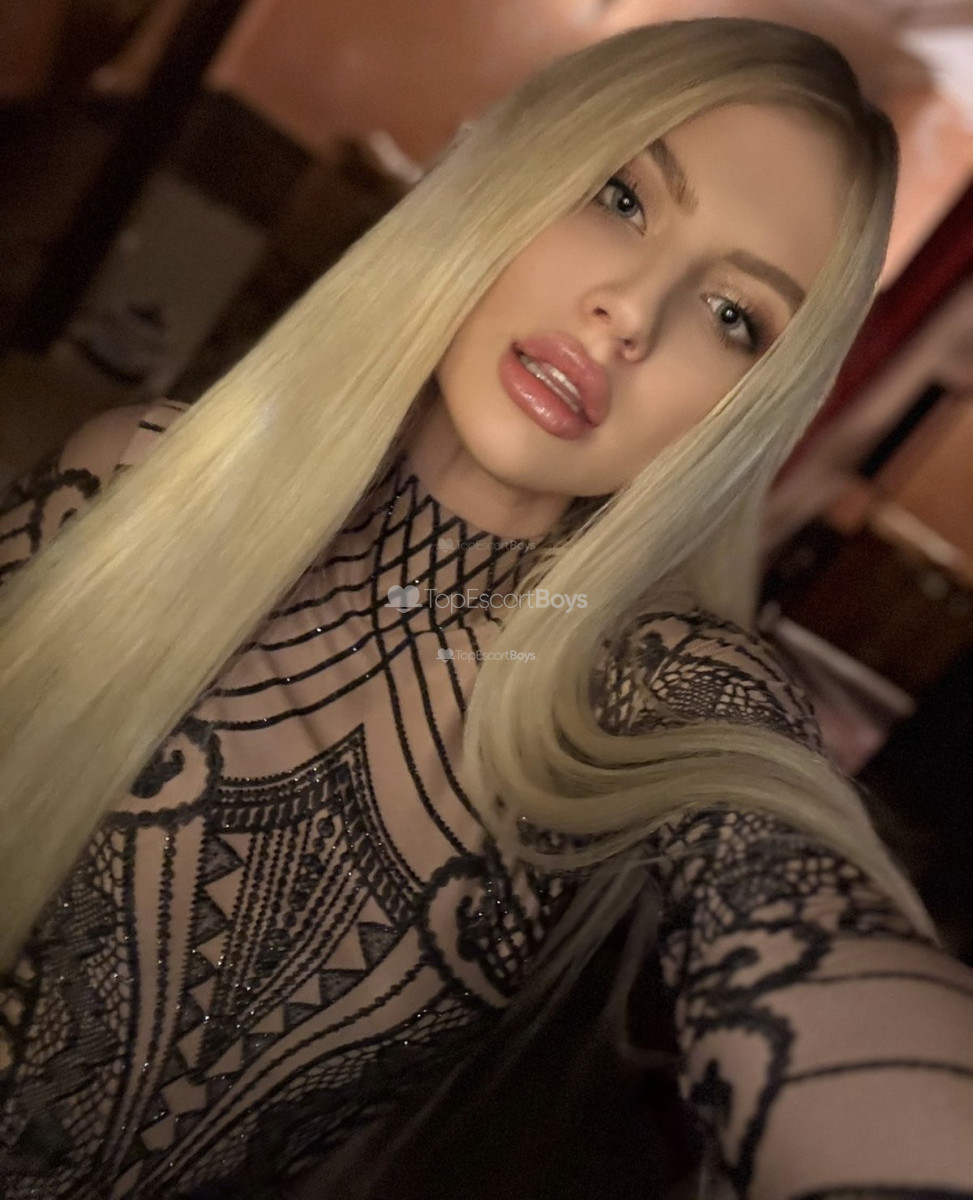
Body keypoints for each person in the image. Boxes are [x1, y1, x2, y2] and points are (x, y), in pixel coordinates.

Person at [1, 16, 972, 1200]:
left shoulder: (659, 699)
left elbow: (813, 936)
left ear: (745, 411)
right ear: (511, 173)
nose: (632, 311)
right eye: (621, 197)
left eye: (734, 317)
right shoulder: (133, 482)